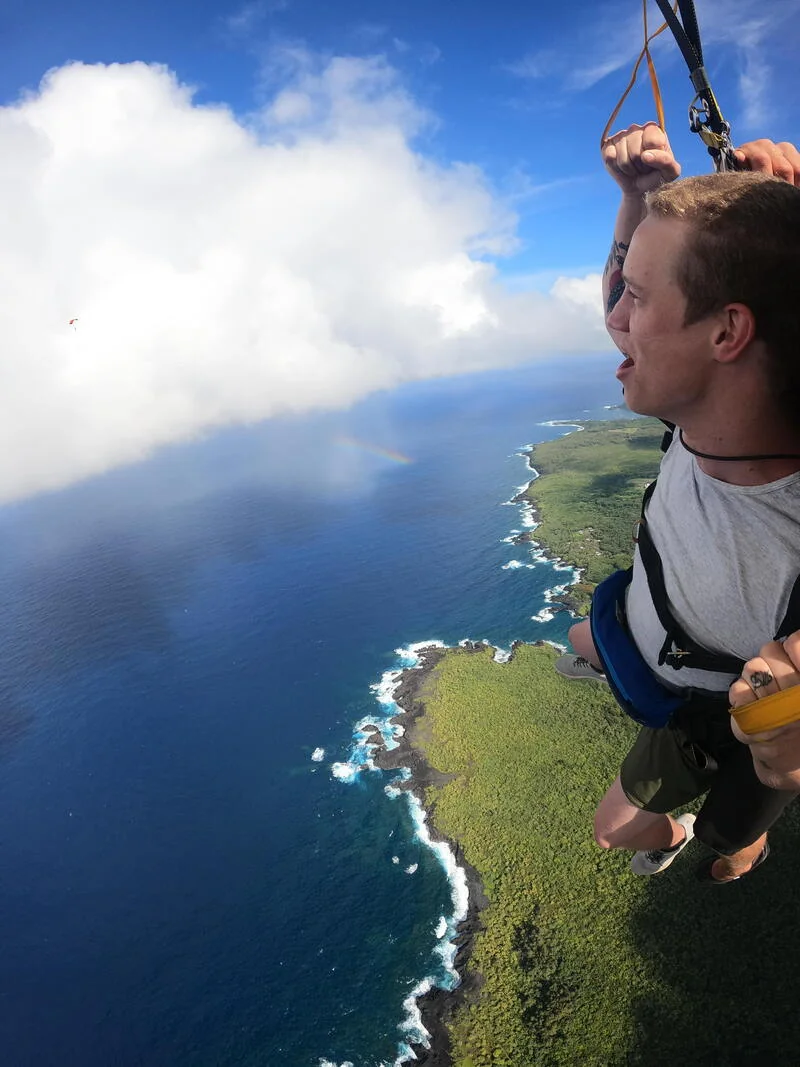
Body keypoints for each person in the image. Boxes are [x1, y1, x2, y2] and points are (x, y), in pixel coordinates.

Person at [558, 123, 800, 884]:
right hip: (653, 628)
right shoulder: (701, 412)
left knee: (621, 831)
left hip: (707, 712)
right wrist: (638, 197)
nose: (613, 316)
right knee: (584, 632)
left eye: (637, 295)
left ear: (728, 332)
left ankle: (709, 838)